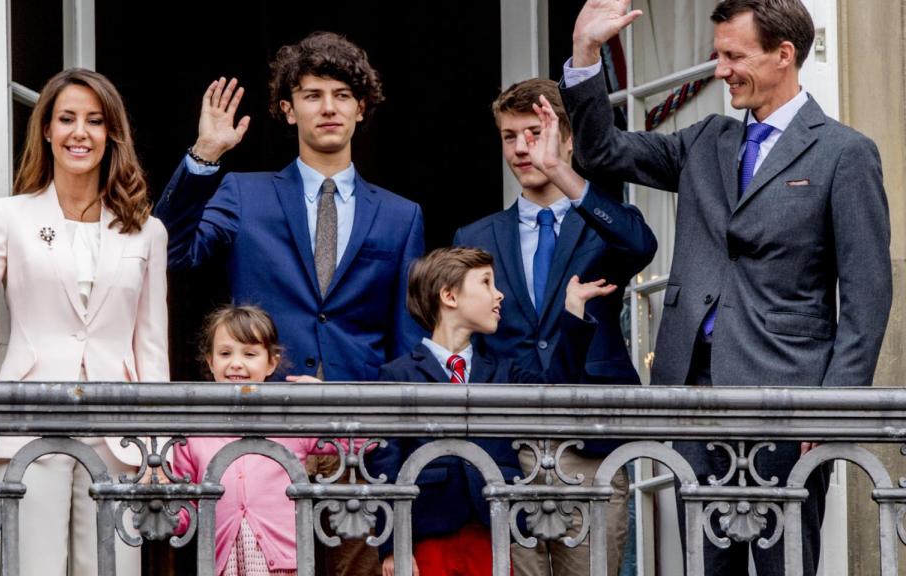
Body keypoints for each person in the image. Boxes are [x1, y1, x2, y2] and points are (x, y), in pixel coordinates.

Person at [562, 0, 892, 573]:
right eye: (718, 56)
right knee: (705, 563)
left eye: (734, 56)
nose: (720, 71)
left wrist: (835, 407)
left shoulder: (844, 153)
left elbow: (868, 294)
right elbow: (601, 152)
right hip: (694, 394)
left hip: (788, 398)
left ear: (783, 54)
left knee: (784, 564)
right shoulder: (705, 141)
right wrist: (586, 53)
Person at [154, 31, 423, 576]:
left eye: (343, 95)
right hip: (258, 441)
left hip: (356, 445)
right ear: (287, 109)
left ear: (361, 109)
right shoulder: (243, 193)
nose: (329, 107)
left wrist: (394, 473)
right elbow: (171, 250)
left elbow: (405, 347)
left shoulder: (401, 215)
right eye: (312, 94)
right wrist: (205, 155)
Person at [0, 68, 168, 575]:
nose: (80, 132)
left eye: (95, 121)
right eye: (67, 119)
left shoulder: (146, 231)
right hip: (28, 424)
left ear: (112, 133)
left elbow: (152, 347)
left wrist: (156, 447)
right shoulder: (9, 216)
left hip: (118, 435)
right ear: (46, 129)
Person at [454, 78, 656, 575]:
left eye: (535, 133)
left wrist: (562, 174)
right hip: (509, 445)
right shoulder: (476, 237)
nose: (521, 148)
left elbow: (641, 244)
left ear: (566, 138)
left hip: (589, 441)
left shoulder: (600, 223)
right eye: (510, 136)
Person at [369, 247, 614, 576]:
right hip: (427, 533)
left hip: (491, 528)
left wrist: (573, 311)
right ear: (449, 296)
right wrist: (392, 546)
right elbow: (387, 465)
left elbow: (556, 391)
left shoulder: (503, 372)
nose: (499, 294)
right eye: (486, 282)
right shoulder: (398, 375)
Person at [173, 305, 353, 576]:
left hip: (285, 565)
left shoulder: (290, 421)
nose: (236, 363)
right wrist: (164, 512)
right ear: (210, 361)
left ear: (271, 362)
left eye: (249, 354)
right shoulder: (193, 432)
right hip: (223, 565)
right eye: (225, 353)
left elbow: (359, 443)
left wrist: (325, 400)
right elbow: (185, 507)